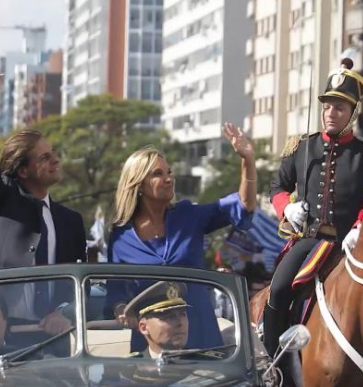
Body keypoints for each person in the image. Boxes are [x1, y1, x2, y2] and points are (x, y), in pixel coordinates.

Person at [265, 59, 363, 357]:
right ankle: (269, 359)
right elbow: (277, 188)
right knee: (278, 289)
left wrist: (359, 227)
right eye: (327, 107)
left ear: (353, 113)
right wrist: (287, 210)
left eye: (340, 108)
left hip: (351, 244)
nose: (331, 114)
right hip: (309, 241)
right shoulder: (301, 147)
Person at [106, 121, 256, 352]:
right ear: (139, 185)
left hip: (201, 334)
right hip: (151, 345)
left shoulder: (189, 215)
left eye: (169, 172)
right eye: (158, 174)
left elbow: (242, 205)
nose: (169, 178)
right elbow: (115, 292)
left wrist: (247, 160)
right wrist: (121, 309)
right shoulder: (120, 236)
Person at [0, 54, 85, 336]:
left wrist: (63, 313)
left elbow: (78, 286)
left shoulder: (71, 221)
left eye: (54, 154)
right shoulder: (1, 203)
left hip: (54, 338)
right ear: (22, 170)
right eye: (44, 158)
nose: (55, 160)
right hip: (2, 336)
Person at [123, 281, 224, 360]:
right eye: (168, 317)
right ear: (143, 327)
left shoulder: (209, 363)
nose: (180, 323)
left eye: (182, 314)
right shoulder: (130, 369)